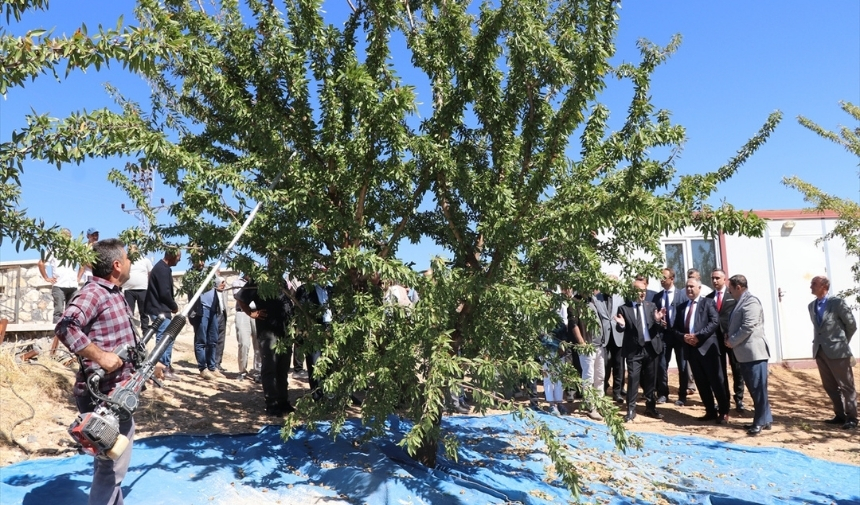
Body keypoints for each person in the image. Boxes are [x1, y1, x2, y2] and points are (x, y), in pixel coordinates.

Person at [54, 238, 135, 505]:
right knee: (110, 467)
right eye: (127, 258)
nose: (130, 262)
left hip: (118, 393)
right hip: (103, 396)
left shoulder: (113, 293)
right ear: (116, 265)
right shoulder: (94, 293)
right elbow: (65, 327)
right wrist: (100, 356)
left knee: (111, 463)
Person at [669, 277, 728, 423]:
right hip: (691, 351)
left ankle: (724, 412)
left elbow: (714, 322)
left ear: (699, 288)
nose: (689, 289)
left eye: (692, 287)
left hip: (708, 350)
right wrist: (683, 337)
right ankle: (710, 411)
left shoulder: (708, 303)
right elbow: (675, 329)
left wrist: (698, 337)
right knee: (701, 383)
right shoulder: (681, 307)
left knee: (716, 382)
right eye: (687, 287)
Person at [236, 277, 294, 416]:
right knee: (270, 368)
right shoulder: (258, 280)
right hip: (268, 332)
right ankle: (272, 404)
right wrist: (251, 313)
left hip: (285, 332)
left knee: (283, 368)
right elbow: (242, 299)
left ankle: (283, 401)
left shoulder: (282, 282)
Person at [808, 275, 857, 430]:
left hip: (838, 352)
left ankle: (852, 417)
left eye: (814, 284)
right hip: (820, 351)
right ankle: (840, 415)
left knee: (846, 386)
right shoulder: (811, 306)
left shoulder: (837, 303)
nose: (811, 286)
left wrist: (841, 342)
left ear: (824, 286)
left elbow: (851, 325)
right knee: (829, 386)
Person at [725, 275, 772, 435]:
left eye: (730, 287)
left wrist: (732, 341)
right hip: (745, 354)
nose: (728, 291)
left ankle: (759, 422)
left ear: (738, 287)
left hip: (754, 353)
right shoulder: (741, 302)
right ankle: (766, 419)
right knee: (756, 389)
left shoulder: (751, 301)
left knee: (758, 389)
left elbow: (748, 326)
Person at [614, 277, 665, 422]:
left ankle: (651, 407)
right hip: (633, 350)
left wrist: (657, 320)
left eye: (644, 291)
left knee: (650, 380)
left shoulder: (652, 306)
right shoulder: (624, 308)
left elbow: (659, 327)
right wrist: (622, 325)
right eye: (639, 291)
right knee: (633, 379)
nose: (642, 294)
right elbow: (619, 327)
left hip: (650, 349)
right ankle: (631, 410)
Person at [707, 269, 744, 412]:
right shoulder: (709, 298)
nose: (715, 281)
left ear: (724, 279)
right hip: (715, 340)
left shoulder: (732, 295)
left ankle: (739, 399)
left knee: (737, 369)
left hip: (732, 338)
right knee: (719, 371)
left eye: (717, 278)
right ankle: (724, 399)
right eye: (713, 278)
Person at [144, 249, 181, 380]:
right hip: (160, 309)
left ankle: (165, 366)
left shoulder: (162, 268)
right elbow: (164, 293)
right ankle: (163, 368)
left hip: (159, 308)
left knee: (166, 338)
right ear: (171, 256)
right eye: (178, 257)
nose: (179, 260)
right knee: (165, 339)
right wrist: (174, 306)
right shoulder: (162, 269)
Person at [653, 267, 687, 405]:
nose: (661, 280)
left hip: (679, 335)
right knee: (662, 365)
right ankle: (663, 393)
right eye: (660, 278)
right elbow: (653, 316)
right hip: (664, 335)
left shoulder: (682, 295)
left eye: (664, 278)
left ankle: (682, 395)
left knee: (683, 366)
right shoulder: (657, 296)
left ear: (672, 279)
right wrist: (659, 321)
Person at [571, 293, 605, 420]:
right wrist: (581, 342)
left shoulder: (593, 300)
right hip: (587, 346)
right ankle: (591, 407)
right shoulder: (575, 301)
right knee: (588, 377)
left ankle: (599, 403)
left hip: (599, 346)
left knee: (600, 377)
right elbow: (573, 324)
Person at [38, 228, 79, 325]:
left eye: (68, 235)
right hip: (59, 285)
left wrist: (78, 277)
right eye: (64, 235)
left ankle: (70, 334)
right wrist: (46, 278)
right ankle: (56, 335)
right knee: (59, 311)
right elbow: (41, 263)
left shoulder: (74, 249)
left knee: (72, 312)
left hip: (73, 285)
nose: (67, 237)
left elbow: (84, 263)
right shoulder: (53, 249)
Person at [595, 280, 626, 403]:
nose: (610, 286)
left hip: (618, 335)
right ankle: (602, 389)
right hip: (603, 336)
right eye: (608, 283)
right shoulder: (596, 298)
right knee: (604, 365)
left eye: (613, 284)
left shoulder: (621, 297)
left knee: (619, 366)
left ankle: (617, 392)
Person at [191, 276, 224, 380]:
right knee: (201, 340)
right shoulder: (195, 276)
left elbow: (218, 285)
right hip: (202, 310)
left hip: (213, 310)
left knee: (213, 340)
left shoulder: (211, 274)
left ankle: (212, 367)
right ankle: (203, 368)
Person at [232, 272, 261, 381]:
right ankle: (242, 371)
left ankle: (258, 371)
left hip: (256, 312)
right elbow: (238, 296)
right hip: (242, 312)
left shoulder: (258, 282)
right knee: (243, 343)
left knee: (258, 343)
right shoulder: (237, 282)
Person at [121, 245, 153, 334]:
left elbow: (150, 273)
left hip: (143, 289)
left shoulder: (145, 260)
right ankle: (130, 331)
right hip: (129, 290)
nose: (132, 250)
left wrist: (149, 285)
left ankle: (145, 331)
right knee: (129, 312)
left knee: (144, 312)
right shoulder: (126, 260)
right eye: (130, 248)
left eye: (133, 248)